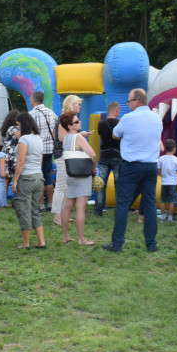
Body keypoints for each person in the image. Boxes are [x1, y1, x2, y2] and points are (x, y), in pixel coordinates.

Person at [104, 89, 163, 253]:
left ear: (137, 101)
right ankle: (151, 243)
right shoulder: (157, 118)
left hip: (132, 166)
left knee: (123, 204)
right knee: (150, 204)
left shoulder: (128, 118)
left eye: (129, 101)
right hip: (151, 165)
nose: (127, 104)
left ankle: (117, 243)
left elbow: (115, 134)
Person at [59, 111, 97, 245]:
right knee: (81, 208)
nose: (80, 122)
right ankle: (82, 239)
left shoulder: (66, 139)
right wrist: (93, 167)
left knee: (68, 206)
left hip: (70, 174)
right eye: (76, 121)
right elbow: (92, 155)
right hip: (82, 175)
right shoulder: (79, 138)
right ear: (69, 126)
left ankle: (65, 236)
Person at [11, 113, 46, 250]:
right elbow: (41, 160)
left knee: (24, 210)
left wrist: (15, 181)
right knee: (35, 210)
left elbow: (21, 161)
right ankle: (41, 242)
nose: (18, 128)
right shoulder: (38, 138)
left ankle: (26, 243)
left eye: (19, 125)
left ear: (23, 124)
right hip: (38, 177)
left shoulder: (24, 139)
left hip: (26, 178)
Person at [52, 95, 83, 225]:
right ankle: (57, 216)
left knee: (66, 186)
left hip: (67, 154)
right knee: (61, 186)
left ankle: (63, 214)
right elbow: (61, 137)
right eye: (78, 104)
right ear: (71, 104)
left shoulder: (69, 118)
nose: (79, 106)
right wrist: (80, 135)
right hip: (62, 154)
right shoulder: (65, 118)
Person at [28, 91, 58, 212]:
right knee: (48, 176)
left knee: (38, 177)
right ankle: (50, 204)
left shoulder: (31, 114)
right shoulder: (52, 113)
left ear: (34, 101)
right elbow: (56, 130)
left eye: (31, 99)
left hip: (37, 150)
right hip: (50, 149)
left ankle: (40, 205)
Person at [95, 102, 123, 218]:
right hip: (117, 155)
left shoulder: (101, 123)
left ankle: (98, 210)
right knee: (119, 185)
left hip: (104, 156)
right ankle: (119, 211)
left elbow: (102, 138)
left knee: (101, 184)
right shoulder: (120, 123)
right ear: (117, 110)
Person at [157, 139, 177, 221]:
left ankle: (163, 217)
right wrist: (176, 176)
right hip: (173, 182)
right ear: (174, 149)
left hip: (164, 182)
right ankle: (170, 217)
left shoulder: (161, 158)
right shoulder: (176, 159)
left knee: (163, 200)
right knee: (172, 201)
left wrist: (162, 175)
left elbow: (158, 170)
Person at [0, 110, 20, 191]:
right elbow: (21, 138)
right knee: (8, 178)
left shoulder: (8, 128)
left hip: (6, 153)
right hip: (11, 155)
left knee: (7, 178)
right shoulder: (14, 128)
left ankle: (4, 199)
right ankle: (4, 199)